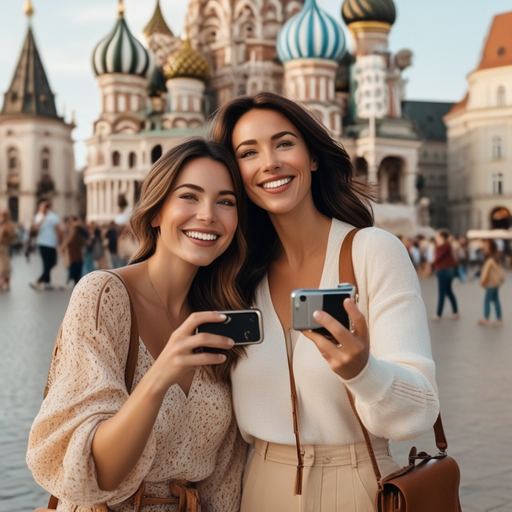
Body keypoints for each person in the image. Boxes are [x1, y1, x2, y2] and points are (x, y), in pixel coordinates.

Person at [211, 92, 439, 512]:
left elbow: (419, 412)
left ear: (313, 156)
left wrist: (363, 371)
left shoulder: (372, 251)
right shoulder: (236, 274)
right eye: (248, 152)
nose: (270, 163)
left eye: (284, 143)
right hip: (258, 487)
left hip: (356, 484)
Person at [27, 139, 248, 512]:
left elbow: (225, 475)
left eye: (225, 201)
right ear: (157, 211)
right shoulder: (103, 295)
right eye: (190, 197)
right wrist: (160, 376)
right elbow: (99, 473)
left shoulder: (222, 314)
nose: (208, 214)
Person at [29, 198, 62, 291]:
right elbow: (34, 229)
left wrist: (59, 243)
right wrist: (42, 219)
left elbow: (58, 230)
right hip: (42, 242)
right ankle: (45, 282)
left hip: (52, 243)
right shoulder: (38, 216)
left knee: (53, 262)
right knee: (46, 263)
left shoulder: (53, 216)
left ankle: (41, 280)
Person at [432, 229, 459, 321]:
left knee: (442, 293)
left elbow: (437, 258)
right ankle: (455, 311)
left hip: (443, 271)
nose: (436, 238)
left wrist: (430, 264)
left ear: (442, 237)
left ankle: (438, 314)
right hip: (448, 271)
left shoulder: (444, 246)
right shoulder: (447, 246)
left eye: (438, 236)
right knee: (448, 291)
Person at [478, 239, 505, 327]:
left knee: (487, 301)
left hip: (491, 283)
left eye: (485, 245)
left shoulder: (490, 259)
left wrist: (482, 282)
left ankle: (486, 318)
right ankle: (499, 318)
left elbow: (485, 273)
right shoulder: (495, 257)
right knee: (496, 300)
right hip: (495, 283)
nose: (484, 247)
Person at [0, 209, 16, 292]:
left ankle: (4, 282)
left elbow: (12, 235)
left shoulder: (8, 225)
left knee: (4, 264)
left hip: (4, 246)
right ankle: (5, 282)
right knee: (3, 264)